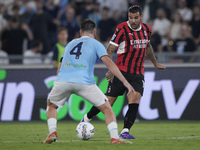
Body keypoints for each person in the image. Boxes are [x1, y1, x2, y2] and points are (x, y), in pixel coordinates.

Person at [43, 20, 135, 144]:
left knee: (52, 105)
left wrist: (59, 80)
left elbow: (61, 64)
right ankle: (114, 137)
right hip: (84, 82)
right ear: (95, 32)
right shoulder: (97, 44)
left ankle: (52, 132)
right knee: (107, 109)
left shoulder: (70, 43)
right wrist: (125, 82)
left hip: (63, 81)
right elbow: (109, 63)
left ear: (80, 32)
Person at [81, 5, 166, 139]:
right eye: (130, 18)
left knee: (135, 98)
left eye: (136, 18)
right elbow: (109, 50)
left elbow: (148, 46)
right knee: (108, 102)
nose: (133, 21)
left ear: (141, 17)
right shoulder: (121, 29)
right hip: (121, 72)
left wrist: (155, 63)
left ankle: (125, 131)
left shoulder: (146, 30)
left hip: (137, 73)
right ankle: (87, 118)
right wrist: (111, 69)